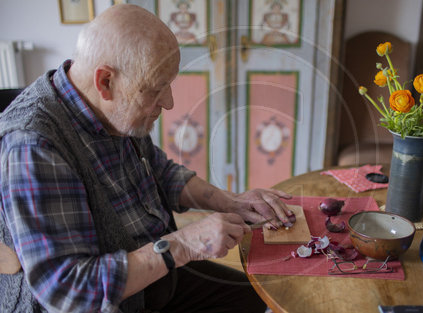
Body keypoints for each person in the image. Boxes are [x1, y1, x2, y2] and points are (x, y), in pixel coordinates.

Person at [0, 4, 294, 313]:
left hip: (154, 272)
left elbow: (159, 172)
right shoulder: (34, 145)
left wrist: (230, 202)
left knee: (256, 298)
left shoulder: (114, 108)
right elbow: (68, 291)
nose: (168, 102)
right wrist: (183, 245)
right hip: (106, 300)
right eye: (156, 89)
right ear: (105, 82)